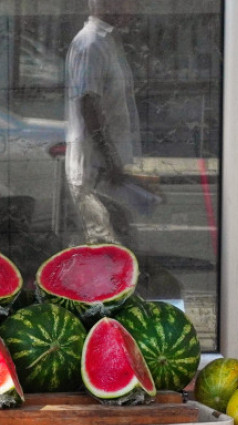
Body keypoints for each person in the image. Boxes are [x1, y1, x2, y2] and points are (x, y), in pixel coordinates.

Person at [65, 0, 144, 245]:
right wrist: (109, 158)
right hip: (97, 170)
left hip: (107, 170)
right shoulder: (91, 43)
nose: (133, 8)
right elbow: (89, 104)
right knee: (104, 247)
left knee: (117, 245)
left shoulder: (107, 41)